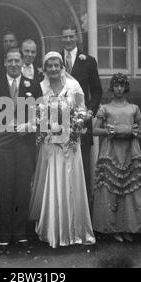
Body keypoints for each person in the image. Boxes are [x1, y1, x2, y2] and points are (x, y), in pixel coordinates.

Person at [29, 51, 96, 248]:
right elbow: (36, 114)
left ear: (62, 66)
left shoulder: (73, 86)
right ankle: (52, 231)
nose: (53, 69)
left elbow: (82, 111)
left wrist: (75, 125)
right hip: (50, 142)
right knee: (51, 182)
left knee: (70, 183)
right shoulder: (40, 87)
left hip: (70, 144)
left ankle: (74, 230)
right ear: (44, 68)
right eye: (49, 65)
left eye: (56, 65)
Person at [0, 48, 43, 255]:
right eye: (10, 61)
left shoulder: (33, 84)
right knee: (4, 187)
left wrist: (29, 126)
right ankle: (3, 237)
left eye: (17, 60)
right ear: (5, 62)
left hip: (23, 141)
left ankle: (20, 234)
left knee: (22, 188)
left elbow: (41, 112)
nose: (14, 64)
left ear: (22, 62)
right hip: (2, 141)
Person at [92, 73, 141, 242]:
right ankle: (114, 228)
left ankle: (128, 227)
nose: (119, 88)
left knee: (129, 187)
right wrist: (109, 131)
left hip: (130, 150)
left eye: (122, 85)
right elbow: (95, 130)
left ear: (126, 87)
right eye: (116, 85)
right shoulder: (105, 108)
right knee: (112, 187)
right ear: (112, 88)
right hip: (111, 151)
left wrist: (135, 132)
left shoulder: (134, 108)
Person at [60, 23, 103, 206]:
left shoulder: (88, 61)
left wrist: (89, 112)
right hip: (58, 122)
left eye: (71, 36)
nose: (68, 40)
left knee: (82, 166)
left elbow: (97, 91)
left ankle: (82, 211)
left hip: (80, 122)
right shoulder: (55, 60)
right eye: (65, 37)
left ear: (77, 37)